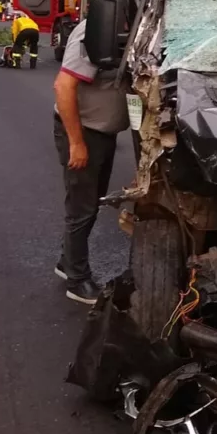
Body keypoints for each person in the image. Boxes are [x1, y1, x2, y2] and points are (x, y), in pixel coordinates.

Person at [53, 18, 129, 304]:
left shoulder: (134, 28)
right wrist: (76, 143)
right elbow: (63, 86)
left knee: (91, 202)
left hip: (102, 132)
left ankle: (67, 262)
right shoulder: (96, 30)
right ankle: (78, 280)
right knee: (81, 207)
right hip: (84, 131)